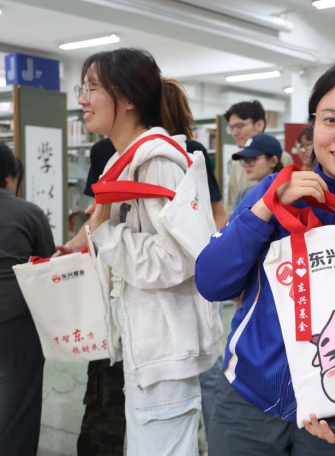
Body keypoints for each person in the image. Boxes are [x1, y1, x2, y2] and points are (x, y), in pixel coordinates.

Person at [196, 60, 335, 455]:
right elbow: (212, 283)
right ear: (313, 125)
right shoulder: (273, 192)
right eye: (330, 120)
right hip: (248, 406)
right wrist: (266, 209)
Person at [76, 48, 222, 456]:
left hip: (166, 353)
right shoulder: (124, 160)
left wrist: (105, 232)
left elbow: (175, 258)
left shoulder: (158, 162)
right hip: (148, 350)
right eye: (82, 89)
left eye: (92, 88)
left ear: (127, 98)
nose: (83, 100)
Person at [57, 138, 227, 452]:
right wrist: (79, 243)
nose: (84, 109)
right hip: (126, 312)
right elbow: (99, 217)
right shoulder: (108, 155)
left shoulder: (173, 157)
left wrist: (208, 257)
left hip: (166, 326)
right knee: (127, 413)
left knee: (170, 412)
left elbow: (180, 248)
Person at [0, 146, 55, 456]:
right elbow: (46, 268)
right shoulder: (28, 212)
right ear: (10, 176)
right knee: (17, 413)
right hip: (16, 324)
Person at [225, 100, 293, 210]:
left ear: (259, 125)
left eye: (239, 126)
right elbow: (231, 205)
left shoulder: (283, 157)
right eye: (232, 128)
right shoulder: (236, 163)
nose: (234, 133)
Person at [230, 134, 283, 210]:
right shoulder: (243, 194)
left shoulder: (286, 193)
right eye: (245, 159)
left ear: (273, 161)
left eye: (253, 159)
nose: (246, 164)